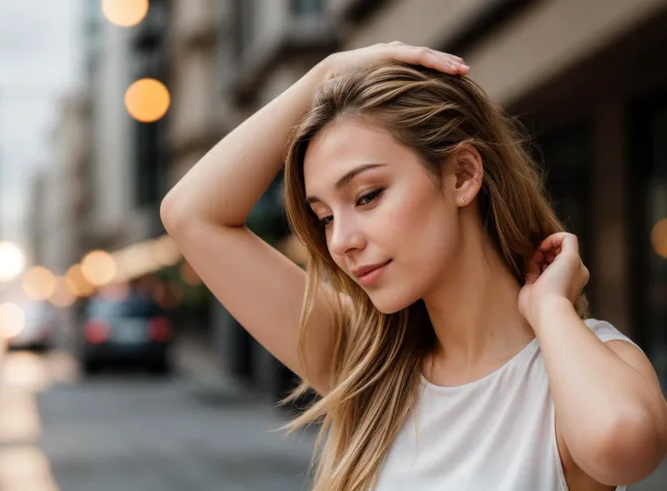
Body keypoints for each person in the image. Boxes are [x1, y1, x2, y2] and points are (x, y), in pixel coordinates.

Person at [160, 43, 667, 491]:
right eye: (324, 217)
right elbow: (191, 214)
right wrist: (325, 76)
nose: (341, 241)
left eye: (368, 195)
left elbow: (622, 445)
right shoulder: (370, 369)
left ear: (463, 175)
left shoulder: (585, 363)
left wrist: (549, 309)